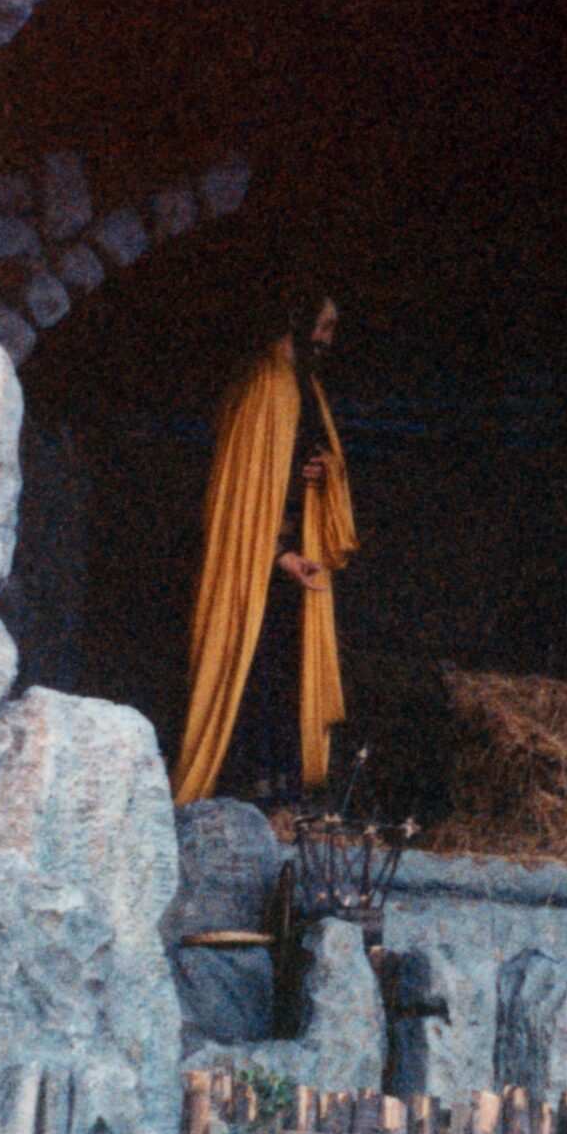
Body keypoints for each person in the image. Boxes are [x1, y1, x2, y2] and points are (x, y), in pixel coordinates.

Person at [170, 297, 360, 806]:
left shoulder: (305, 388)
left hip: (295, 563)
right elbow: (239, 493)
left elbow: (311, 464)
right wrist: (277, 554)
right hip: (256, 566)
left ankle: (284, 796)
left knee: (286, 677)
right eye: (323, 326)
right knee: (252, 672)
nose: (328, 339)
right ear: (297, 321)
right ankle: (248, 796)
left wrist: (324, 472)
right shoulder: (266, 384)